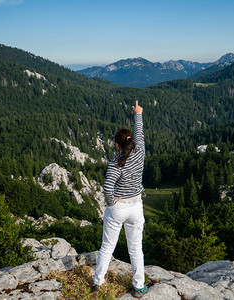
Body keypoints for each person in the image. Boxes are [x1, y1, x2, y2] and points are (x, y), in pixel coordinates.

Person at [92, 100, 148, 298]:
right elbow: (139, 134)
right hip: (136, 206)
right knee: (136, 249)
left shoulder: (116, 162)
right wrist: (138, 114)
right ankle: (139, 287)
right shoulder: (140, 152)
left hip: (118, 208)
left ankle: (98, 283)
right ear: (131, 141)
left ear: (117, 144)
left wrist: (111, 203)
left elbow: (108, 187)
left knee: (107, 246)